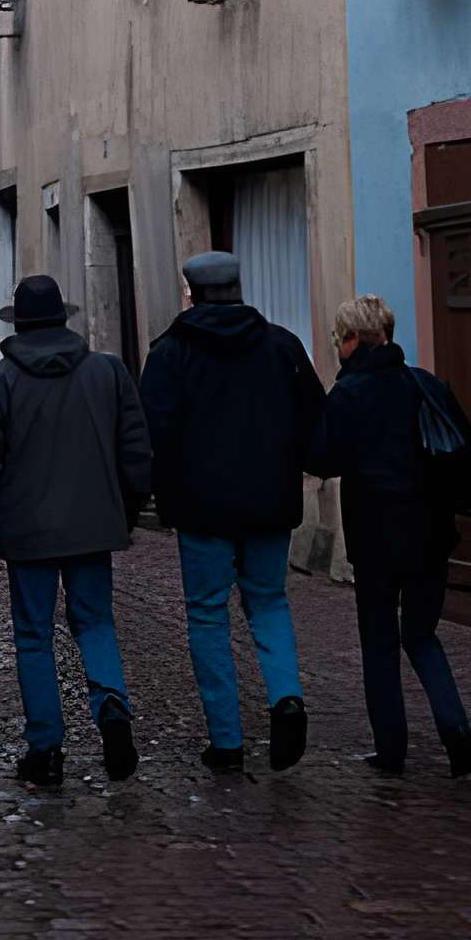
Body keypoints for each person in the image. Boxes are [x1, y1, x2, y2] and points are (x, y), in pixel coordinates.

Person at [140, 251, 325, 776]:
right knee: (268, 602)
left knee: (207, 614)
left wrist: (159, 491)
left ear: (192, 292)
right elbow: (314, 418)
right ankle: (286, 697)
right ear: (238, 287)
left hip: (201, 509)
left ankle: (226, 740)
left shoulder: (171, 353)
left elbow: (153, 432)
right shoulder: (282, 345)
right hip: (270, 502)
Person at [0, 274, 151, 789]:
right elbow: (136, 451)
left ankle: (46, 747)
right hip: (93, 525)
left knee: (34, 636)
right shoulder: (107, 372)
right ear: (63, 319)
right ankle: (111, 707)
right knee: (95, 623)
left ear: (18, 324)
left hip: (27, 529)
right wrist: (125, 512)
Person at [308, 295, 471, 779]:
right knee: (422, 635)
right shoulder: (424, 384)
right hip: (430, 534)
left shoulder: (348, 395)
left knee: (380, 643)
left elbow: (323, 459)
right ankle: (456, 729)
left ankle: (391, 749)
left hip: (376, 539)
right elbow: (466, 451)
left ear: (352, 340)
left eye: (338, 338)